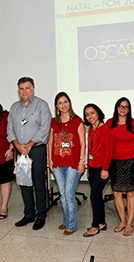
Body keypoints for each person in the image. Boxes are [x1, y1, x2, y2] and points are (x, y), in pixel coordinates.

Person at [7, 77, 52, 230]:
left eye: (27, 88)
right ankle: (29, 214)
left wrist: (30, 144)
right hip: (20, 151)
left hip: (37, 149)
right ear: (18, 90)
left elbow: (44, 128)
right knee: (24, 183)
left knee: (39, 183)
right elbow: (10, 129)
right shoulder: (14, 107)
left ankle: (41, 216)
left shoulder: (42, 105)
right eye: (21, 88)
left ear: (33, 88)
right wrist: (18, 146)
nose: (24, 91)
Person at [48, 92, 85, 236]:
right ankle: (67, 219)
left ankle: (72, 225)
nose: (63, 105)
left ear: (69, 103)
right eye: (60, 103)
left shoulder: (77, 121)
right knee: (63, 194)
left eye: (65, 102)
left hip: (73, 163)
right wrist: (49, 160)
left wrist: (82, 162)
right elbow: (50, 141)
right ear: (56, 106)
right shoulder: (53, 122)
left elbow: (83, 143)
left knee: (69, 194)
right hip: (57, 163)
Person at [106, 97, 134, 236]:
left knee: (130, 193)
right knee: (116, 193)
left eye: (126, 107)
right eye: (120, 106)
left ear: (129, 109)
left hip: (132, 161)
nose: (123, 109)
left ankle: (130, 223)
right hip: (114, 162)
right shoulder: (109, 123)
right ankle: (122, 221)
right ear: (116, 108)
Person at [82, 103, 113, 237]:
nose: (90, 116)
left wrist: (105, 169)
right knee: (98, 195)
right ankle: (101, 222)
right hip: (93, 168)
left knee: (94, 195)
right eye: (87, 114)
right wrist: (88, 167)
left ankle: (95, 225)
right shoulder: (91, 129)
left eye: (92, 113)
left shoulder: (105, 129)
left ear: (98, 113)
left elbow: (108, 151)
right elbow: (90, 149)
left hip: (102, 168)